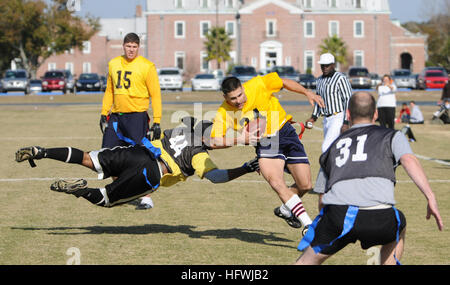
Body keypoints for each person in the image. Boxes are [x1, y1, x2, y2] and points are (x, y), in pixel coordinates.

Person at [295, 92, 443, 265]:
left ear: (348, 114)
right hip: (379, 215)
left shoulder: (334, 146)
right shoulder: (392, 135)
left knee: (306, 261)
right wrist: (430, 197)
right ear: (376, 114)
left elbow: (322, 197)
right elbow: (408, 159)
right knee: (399, 224)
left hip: (339, 215)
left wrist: (327, 224)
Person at [14, 118, 260, 208]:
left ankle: (42, 151)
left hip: (138, 153)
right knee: (106, 199)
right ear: (207, 138)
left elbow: (155, 137)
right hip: (152, 172)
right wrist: (245, 168)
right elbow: (216, 177)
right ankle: (79, 189)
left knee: (89, 157)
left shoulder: (178, 131)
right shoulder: (200, 154)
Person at [209, 72, 325, 233]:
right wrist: (240, 139)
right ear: (225, 97)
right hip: (265, 142)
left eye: (240, 95)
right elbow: (214, 141)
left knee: (305, 184)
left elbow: (283, 82)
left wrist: (307, 92)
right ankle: (308, 225)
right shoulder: (224, 112)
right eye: (232, 99)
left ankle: (286, 210)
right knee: (277, 183)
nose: (238, 101)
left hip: (286, 132)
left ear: (243, 88)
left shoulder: (258, 84)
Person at [100, 32, 162, 209]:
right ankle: (123, 190)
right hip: (116, 117)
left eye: (134, 47)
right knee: (107, 155)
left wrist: (157, 120)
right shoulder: (113, 63)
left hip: (137, 117)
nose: (131, 50)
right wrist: (104, 113)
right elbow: (109, 91)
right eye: (128, 46)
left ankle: (146, 197)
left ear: (138, 47)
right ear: (123, 46)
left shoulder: (147, 66)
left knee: (140, 157)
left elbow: (155, 95)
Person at [305, 53, 353, 153]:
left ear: (333, 65)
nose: (324, 68)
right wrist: (313, 117)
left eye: (327, 65)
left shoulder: (341, 78)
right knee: (335, 147)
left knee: (326, 147)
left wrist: (346, 122)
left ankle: (325, 168)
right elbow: (318, 100)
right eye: (322, 65)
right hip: (326, 119)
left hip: (338, 117)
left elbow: (348, 100)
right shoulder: (319, 80)